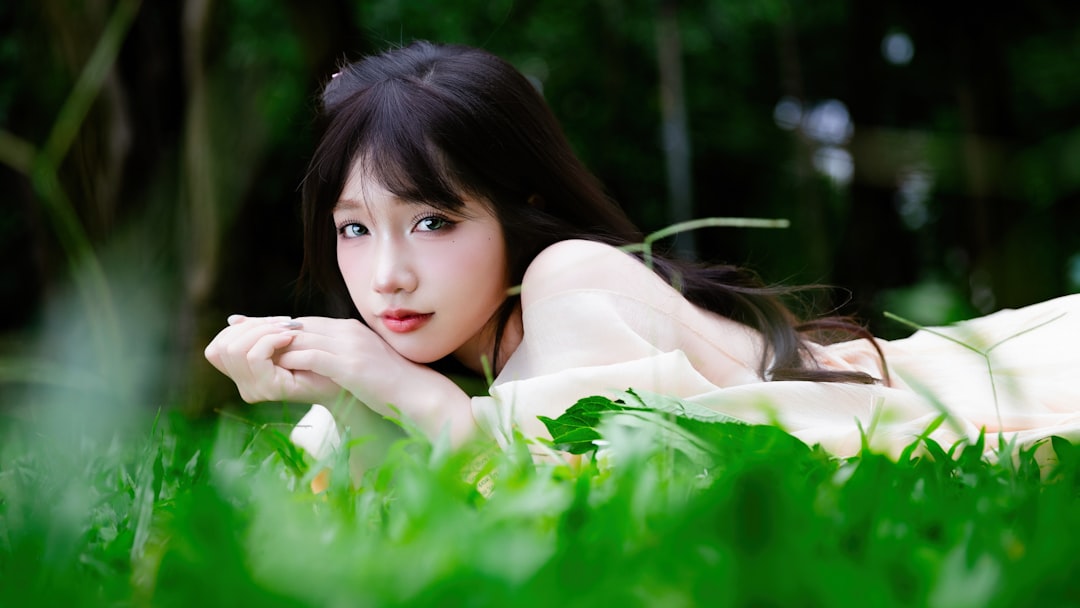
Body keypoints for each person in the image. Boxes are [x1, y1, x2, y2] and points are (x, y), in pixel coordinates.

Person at [205, 41, 1080, 475]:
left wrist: (416, 398)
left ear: (524, 211)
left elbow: (641, 469)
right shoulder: (446, 341)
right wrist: (344, 393)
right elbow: (364, 488)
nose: (386, 275)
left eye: (433, 222)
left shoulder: (569, 281)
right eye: (354, 228)